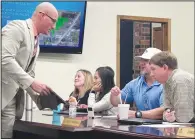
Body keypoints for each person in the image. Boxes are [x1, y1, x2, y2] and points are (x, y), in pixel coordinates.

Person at [1, 2, 58, 138]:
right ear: (42, 15)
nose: (54, 26)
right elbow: (4, 58)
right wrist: (32, 82)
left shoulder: (37, 44)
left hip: (12, 100)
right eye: (53, 21)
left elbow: (28, 75)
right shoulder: (17, 27)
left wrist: (43, 99)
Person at [110, 48, 164, 119]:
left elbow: (163, 111)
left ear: (158, 65)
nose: (141, 63)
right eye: (141, 60)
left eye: (146, 61)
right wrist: (114, 95)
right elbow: (117, 103)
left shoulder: (164, 83)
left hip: (162, 128)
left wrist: (137, 114)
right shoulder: (135, 83)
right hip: (141, 127)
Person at [150, 51, 194, 123]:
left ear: (165, 67)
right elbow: (167, 112)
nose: (151, 74)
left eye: (153, 69)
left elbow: (184, 119)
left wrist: (171, 116)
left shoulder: (180, 80)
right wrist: (168, 115)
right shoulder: (166, 82)